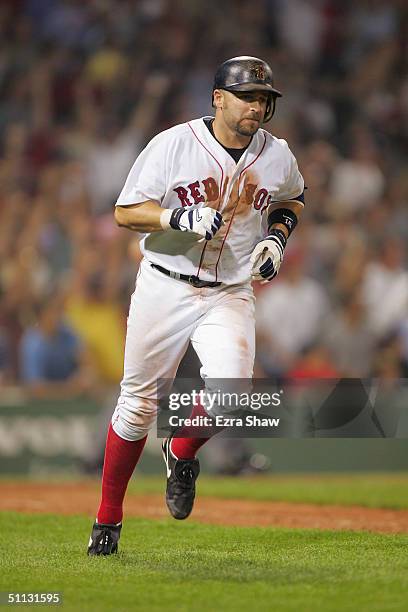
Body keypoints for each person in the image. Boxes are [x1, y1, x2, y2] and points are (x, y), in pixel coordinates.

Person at [87, 56, 305, 555]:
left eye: (264, 99)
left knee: (233, 392)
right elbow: (124, 213)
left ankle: (181, 450)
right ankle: (107, 521)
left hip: (229, 289)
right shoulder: (174, 144)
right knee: (137, 405)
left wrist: (277, 239)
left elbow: (293, 198)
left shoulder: (277, 155)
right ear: (218, 98)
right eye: (247, 96)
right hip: (165, 284)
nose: (257, 107)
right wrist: (175, 216)